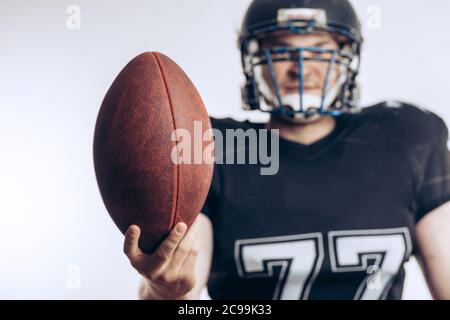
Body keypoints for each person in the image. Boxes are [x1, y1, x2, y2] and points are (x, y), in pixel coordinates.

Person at [123, 0, 450, 299]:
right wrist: (163, 287)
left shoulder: (405, 138)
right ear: (253, 60)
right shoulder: (215, 145)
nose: (301, 69)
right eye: (281, 51)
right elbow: (183, 287)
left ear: (347, 57)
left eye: (319, 50)